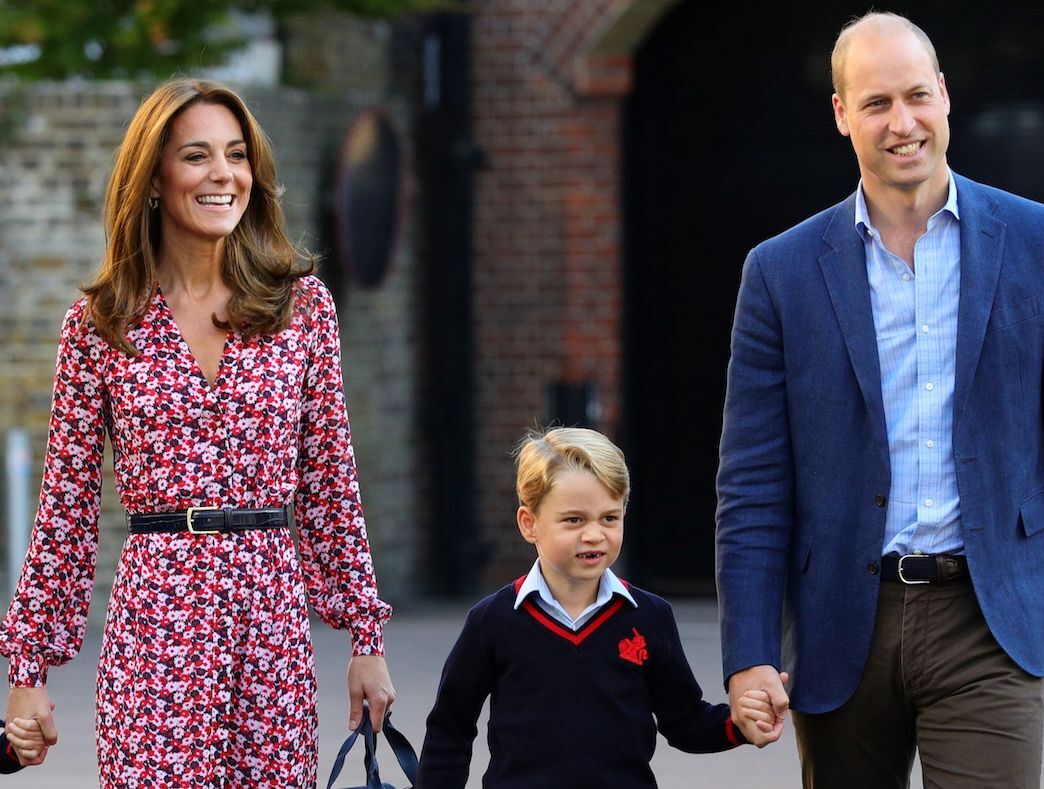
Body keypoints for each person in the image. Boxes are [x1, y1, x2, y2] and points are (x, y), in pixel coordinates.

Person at [715, 11, 1044, 786]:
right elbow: (752, 484)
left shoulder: (1042, 242)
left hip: (987, 619)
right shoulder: (779, 272)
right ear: (842, 114)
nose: (902, 122)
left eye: (916, 95)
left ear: (944, 95)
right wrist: (749, 652)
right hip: (841, 621)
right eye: (876, 103)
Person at [0, 78, 396, 786]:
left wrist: (366, 639)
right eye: (197, 156)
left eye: (237, 155)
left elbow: (330, 484)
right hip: (156, 624)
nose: (223, 174)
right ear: (154, 178)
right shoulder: (101, 323)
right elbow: (65, 509)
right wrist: (27, 670)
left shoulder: (302, 308)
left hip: (271, 624)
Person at [418, 427, 779, 788]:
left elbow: (685, 721)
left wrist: (740, 724)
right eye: (573, 520)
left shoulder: (650, 616)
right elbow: (450, 728)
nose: (594, 535)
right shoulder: (492, 621)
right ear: (529, 524)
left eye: (609, 518)